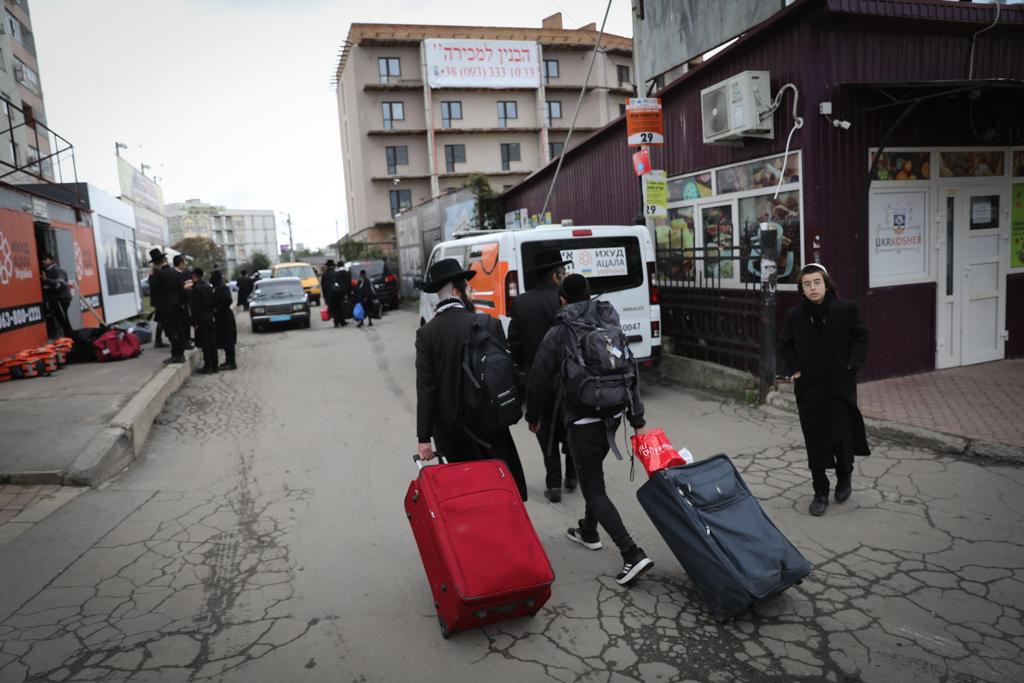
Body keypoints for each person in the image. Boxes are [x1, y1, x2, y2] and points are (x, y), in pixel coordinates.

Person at [527, 274, 654, 586]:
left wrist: (533, 415)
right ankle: (588, 530)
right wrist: (637, 420)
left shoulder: (561, 330)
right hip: (613, 414)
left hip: (582, 418)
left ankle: (631, 553)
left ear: (562, 300)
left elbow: (540, 376)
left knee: (594, 489)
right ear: (589, 295)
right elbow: (629, 368)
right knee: (592, 475)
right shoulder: (609, 321)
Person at [415, 258, 528, 500]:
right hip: (489, 421)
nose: (471, 291)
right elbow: (507, 371)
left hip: (450, 429)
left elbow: (426, 387)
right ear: (457, 291)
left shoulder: (427, 334)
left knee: (465, 489)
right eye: (467, 287)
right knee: (498, 483)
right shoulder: (487, 323)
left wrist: (423, 437)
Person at [780, 263, 870, 517]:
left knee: (842, 437)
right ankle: (820, 491)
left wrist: (852, 365)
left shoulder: (846, 309)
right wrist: (796, 370)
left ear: (826, 284)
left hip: (840, 385)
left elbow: (862, 336)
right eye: (807, 284)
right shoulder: (795, 315)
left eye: (816, 282)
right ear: (802, 289)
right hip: (810, 389)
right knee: (816, 440)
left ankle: (845, 477)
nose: (812, 288)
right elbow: (785, 345)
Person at [508, 249, 577, 503]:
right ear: (556, 276)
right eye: (564, 272)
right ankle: (572, 475)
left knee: (544, 429)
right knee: (571, 425)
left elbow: (513, 341)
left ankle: (553, 483)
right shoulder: (566, 300)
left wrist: (523, 366)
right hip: (570, 377)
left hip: (536, 379)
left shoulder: (522, 302)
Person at [148, 249, 187, 364]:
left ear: (156, 263)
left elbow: (153, 289)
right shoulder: (175, 272)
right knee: (178, 329)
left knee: (171, 331)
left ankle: (176, 355)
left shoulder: (159, 274)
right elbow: (181, 290)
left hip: (166, 306)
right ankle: (180, 354)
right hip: (177, 304)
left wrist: (151, 276)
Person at [189, 267, 218, 374]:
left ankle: (208, 366)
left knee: (205, 343)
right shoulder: (208, 287)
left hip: (201, 319)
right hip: (210, 317)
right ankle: (215, 365)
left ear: (194, 276)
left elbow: (195, 307)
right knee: (212, 342)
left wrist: (194, 322)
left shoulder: (196, 289)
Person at [40, 252, 74, 338]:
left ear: (52, 260)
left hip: (60, 299)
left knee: (64, 321)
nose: (43, 261)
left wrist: (46, 280)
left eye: (45, 259)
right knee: (61, 320)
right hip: (54, 300)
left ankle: (72, 340)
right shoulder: (47, 272)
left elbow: (58, 285)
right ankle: (68, 339)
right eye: (42, 259)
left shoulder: (57, 270)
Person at [210, 270, 237, 370]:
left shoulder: (222, 288)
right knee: (225, 340)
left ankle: (231, 362)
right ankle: (228, 361)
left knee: (228, 340)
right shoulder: (217, 288)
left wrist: (217, 309)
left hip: (225, 317)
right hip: (221, 318)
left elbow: (228, 300)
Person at [173, 255, 195, 346]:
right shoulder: (174, 274)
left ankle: (187, 338)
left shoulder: (184, 273)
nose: (186, 265)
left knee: (187, 321)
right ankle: (184, 341)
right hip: (179, 302)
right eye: (184, 263)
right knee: (182, 323)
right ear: (180, 264)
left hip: (185, 301)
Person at [320, 260, 344, 327]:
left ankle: (336, 322)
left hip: (329, 296)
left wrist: (325, 297)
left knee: (333, 309)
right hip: (337, 294)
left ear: (327, 266)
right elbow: (341, 285)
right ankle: (340, 321)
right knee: (338, 308)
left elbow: (323, 287)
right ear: (333, 266)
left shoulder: (324, 275)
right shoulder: (337, 274)